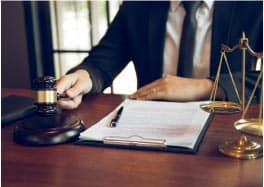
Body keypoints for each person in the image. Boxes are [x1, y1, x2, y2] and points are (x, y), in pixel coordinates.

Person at [56, 1, 263, 109]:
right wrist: (84, 77)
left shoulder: (254, 6)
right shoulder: (138, 6)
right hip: (152, 126)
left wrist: (203, 87)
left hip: (224, 130)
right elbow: (102, 61)